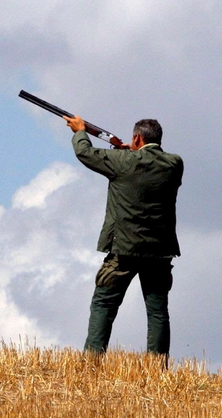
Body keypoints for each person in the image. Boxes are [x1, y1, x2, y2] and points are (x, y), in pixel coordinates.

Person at [64, 114, 183, 362]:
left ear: (137, 137)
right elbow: (146, 163)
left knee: (104, 305)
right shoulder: (174, 164)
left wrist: (79, 131)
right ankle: (157, 367)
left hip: (124, 249)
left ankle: (92, 363)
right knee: (158, 311)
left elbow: (85, 154)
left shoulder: (122, 161)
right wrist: (130, 151)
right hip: (160, 251)